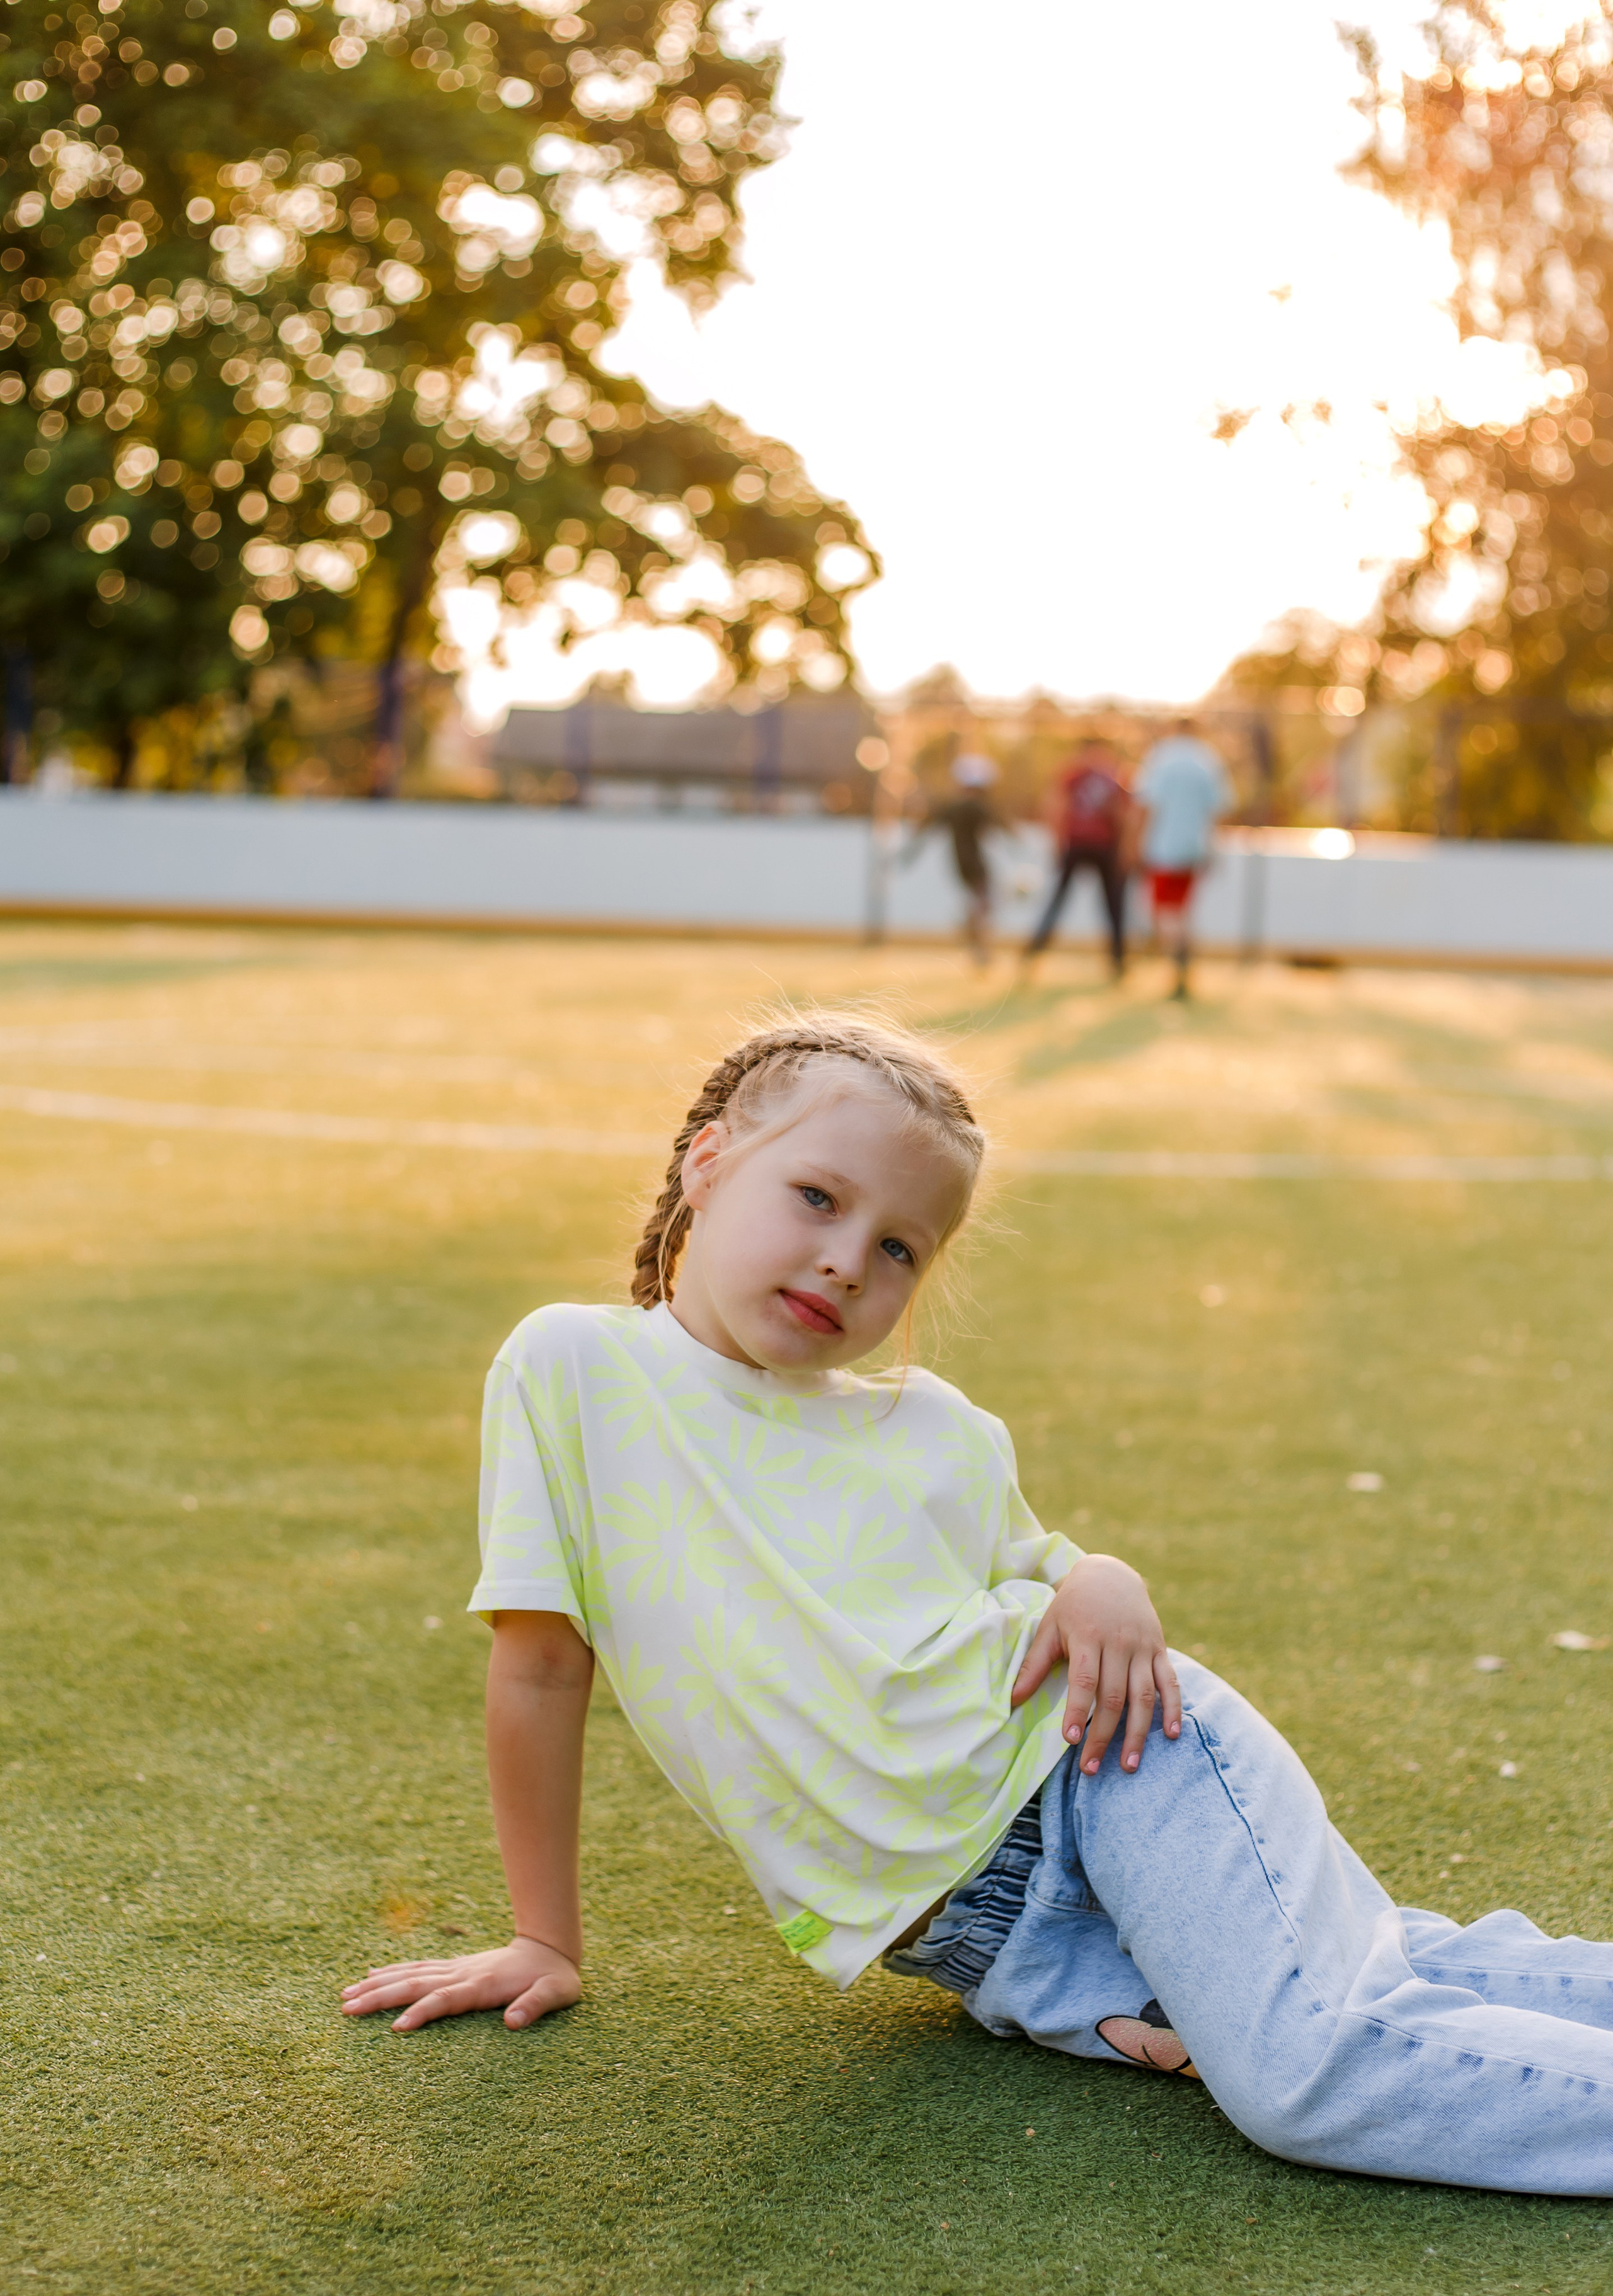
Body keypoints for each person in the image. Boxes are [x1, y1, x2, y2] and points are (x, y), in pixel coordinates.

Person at [343, 1015, 1613, 2197]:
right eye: (817, 1197)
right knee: (1393, 1969)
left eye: (898, 1244)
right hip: (1000, 1951)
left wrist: (1103, 1575)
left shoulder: (933, 1428)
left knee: (1306, 2070)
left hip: (1101, 1772)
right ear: (706, 1163)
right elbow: (539, 1668)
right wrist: (541, 1938)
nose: (847, 1257)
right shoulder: (575, 1367)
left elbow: (1054, 1578)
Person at [1134, 717, 1232, 1000]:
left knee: (1163, 911)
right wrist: (1212, 846)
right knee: (1182, 910)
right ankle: (1182, 957)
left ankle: (1178, 959)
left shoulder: (1162, 757)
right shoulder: (1209, 760)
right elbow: (1219, 808)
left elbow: (1147, 804)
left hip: (1164, 848)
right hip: (1195, 849)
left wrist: (1134, 843)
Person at [1022, 738, 1134, 976]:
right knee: (1064, 902)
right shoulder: (1086, 776)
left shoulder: (1108, 777)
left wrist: (1125, 848)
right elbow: (1056, 807)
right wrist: (1057, 842)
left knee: (1111, 905)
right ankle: (1033, 954)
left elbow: (1123, 814)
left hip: (1099, 846)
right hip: (1082, 844)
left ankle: (1118, 961)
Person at [911, 749, 1003, 966]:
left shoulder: (952, 806)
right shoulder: (976, 806)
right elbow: (999, 825)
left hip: (958, 863)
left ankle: (974, 939)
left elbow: (928, 827)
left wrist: (908, 854)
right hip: (975, 862)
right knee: (984, 904)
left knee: (980, 903)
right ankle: (978, 945)